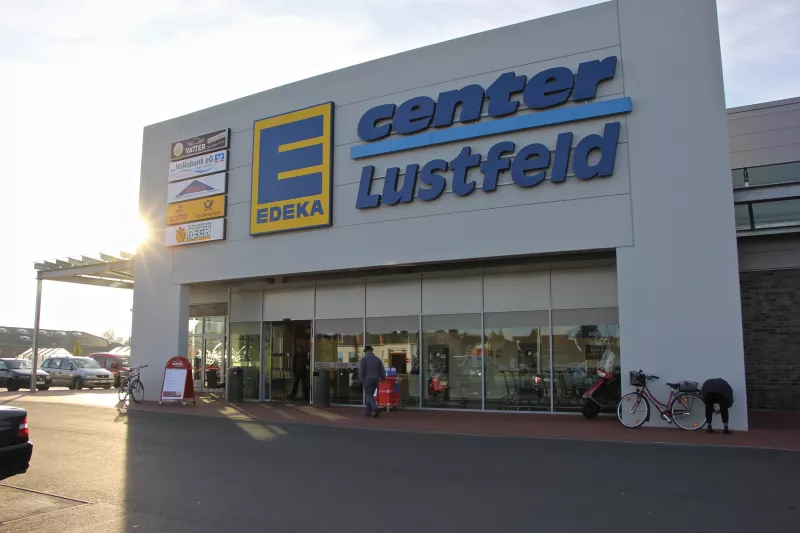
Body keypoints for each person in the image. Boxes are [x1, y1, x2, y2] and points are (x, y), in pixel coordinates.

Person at [359, 346, 386, 418]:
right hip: (375, 379)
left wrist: (361, 379)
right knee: (371, 395)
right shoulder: (377, 359)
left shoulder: (363, 359)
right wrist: (383, 378)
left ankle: (375, 408)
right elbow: (382, 370)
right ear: (372, 351)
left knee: (369, 395)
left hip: (367, 379)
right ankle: (368, 412)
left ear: (366, 351)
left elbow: (361, 371)